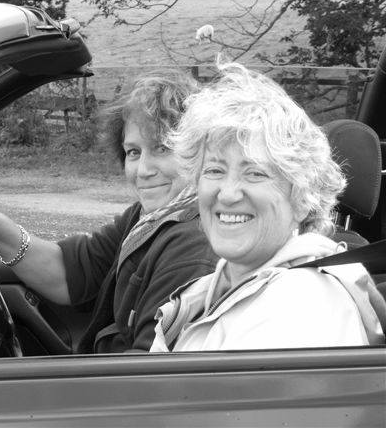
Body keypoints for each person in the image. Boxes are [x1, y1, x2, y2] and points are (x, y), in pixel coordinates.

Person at [0, 70, 218, 353]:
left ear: (199, 151)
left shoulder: (192, 246)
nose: (143, 170)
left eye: (163, 148)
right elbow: (68, 273)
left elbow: (150, 371)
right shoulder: (150, 219)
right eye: (133, 152)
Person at [150, 60, 386, 352]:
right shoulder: (217, 287)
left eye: (255, 173)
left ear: (301, 200)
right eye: (214, 170)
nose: (228, 194)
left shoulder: (300, 305)